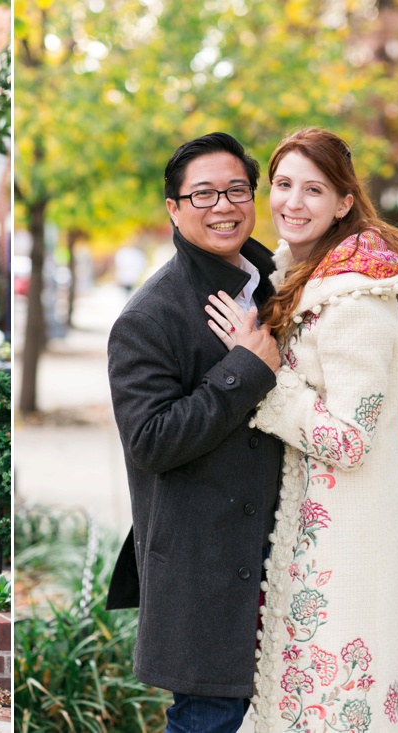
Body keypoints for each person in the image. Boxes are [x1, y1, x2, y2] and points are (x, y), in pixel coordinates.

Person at [206, 127, 398, 732]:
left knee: (333, 712)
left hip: (349, 550)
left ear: (343, 202)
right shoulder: (301, 277)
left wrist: (262, 372)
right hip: (312, 539)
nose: (293, 202)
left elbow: (350, 441)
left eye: (314, 189)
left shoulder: (355, 303)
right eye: (283, 185)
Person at [105, 132, 283, 733]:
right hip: (204, 563)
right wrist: (243, 372)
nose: (223, 206)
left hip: (281, 550)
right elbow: (151, 441)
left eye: (236, 190)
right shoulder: (150, 316)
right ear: (174, 209)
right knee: (208, 717)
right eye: (203, 194)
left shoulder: (276, 281)